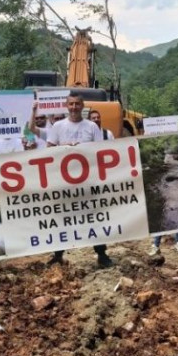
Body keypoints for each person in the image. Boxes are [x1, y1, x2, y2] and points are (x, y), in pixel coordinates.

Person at [46, 93, 114, 268]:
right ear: (66, 106)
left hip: (88, 182)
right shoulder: (58, 126)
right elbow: (48, 151)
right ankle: (58, 255)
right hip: (64, 183)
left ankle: (101, 254)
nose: (74, 107)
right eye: (71, 104)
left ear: (82, 106)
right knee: (62, 218)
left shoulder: (92, 126)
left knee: (95, 218)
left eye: (77, 104)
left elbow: (101, 152)